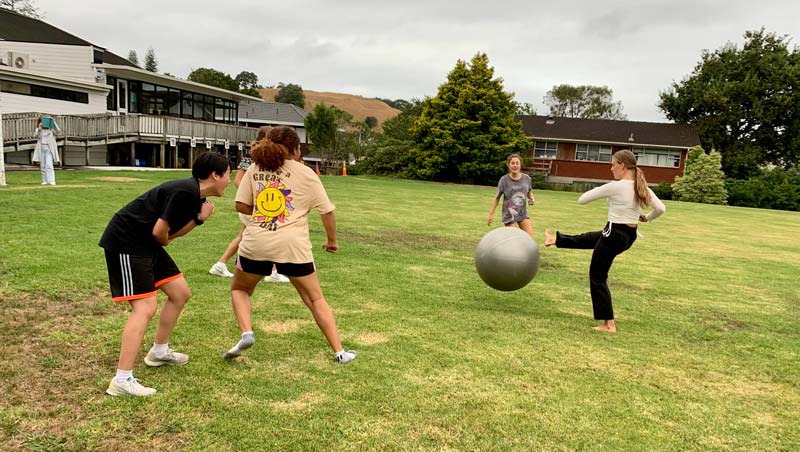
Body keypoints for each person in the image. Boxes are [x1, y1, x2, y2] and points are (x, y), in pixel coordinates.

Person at [100, 152, 231, 396]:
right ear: (215, 175)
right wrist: (167, 239)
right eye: (228, 175)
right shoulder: (184, 191)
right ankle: (122, 379)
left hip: (148, 243)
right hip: (127, 241)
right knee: (145, 307)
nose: (229, 181)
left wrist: (199, 219)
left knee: (180, 293)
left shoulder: (195, 196)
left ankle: (159, 352)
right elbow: (161, 232)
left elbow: (169, 233)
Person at [223, 126, 356, 364]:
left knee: (240, 290)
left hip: (256, 242)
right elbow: (327, 212)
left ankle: (247, 333)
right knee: (315, 299)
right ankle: (339, 352)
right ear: (296, 149)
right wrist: (332, 241)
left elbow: (241, 206)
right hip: (293, 247)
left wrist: (266, 211)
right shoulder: (306, 174)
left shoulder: (254, 169)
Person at [543, 149, 666, 333]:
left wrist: (604, 190)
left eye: (613, 164)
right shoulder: (642, 187)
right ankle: (556, 240)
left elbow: (582, 200)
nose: (611, 168)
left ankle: (609, 324)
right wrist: (646, 218)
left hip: (615, 231)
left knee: (597, 276)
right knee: (594, 237)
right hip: (628, 236)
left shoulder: (615, 186)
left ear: (622, 166)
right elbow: (661, 209)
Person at [209, 127, 290, 283]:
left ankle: (221, 264)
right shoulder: (255, 157)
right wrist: (255, 197)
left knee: (244, 236)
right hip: (253, 206)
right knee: (270, 234)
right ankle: (273, 271)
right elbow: (239, 180)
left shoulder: (259, 156)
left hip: (256, 204)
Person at [488, 154, 536, 237]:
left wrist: (532, 198)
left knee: (530, 238)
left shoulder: (527, 178)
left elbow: (529, 192)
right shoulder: (504, 180)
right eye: (512, 163)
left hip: (522, 213)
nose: (515, 165)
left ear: (520, 165)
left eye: (517, 163)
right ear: (508, 165)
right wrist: (491, 214)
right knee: (514, 238)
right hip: (509, 214)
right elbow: (497, 198)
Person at [31, 115, 61, 185]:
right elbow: (35, 136)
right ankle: (45, 180)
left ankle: (52, 180)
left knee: (49, 164)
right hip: (41, 149)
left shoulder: (51, 130)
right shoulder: (40, 130)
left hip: (49, 149)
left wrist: (53, 122)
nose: (43, 123)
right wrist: (38, 128)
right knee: (43, 165)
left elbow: (58, 131)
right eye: (41, 122)